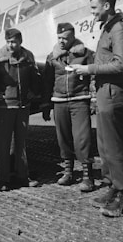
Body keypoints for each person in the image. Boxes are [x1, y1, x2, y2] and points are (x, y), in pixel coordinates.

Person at [72, 0, 123, 217]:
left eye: (94, 8)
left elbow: (121, 64)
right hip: (103, 94)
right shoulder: (108, 29)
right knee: (105, 146)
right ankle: (112, 188)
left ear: (107, 6)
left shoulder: (120, 30)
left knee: (116, 147)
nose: (91, 13)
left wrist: (88, 68)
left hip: (113, 94)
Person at [0, 28, 41, 191]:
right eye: (8, 42)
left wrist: (33, 92)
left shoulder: (28, 57)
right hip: (4, 107)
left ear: (20, 41)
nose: (10, 45)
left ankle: (22, 176)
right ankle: (2, 180)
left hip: (22, 106)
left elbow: (35, 77)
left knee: (21, 144)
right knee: (3, 144)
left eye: (13, 42)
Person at [41, 22, 95, 192]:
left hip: (80, 100)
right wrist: (45, 104)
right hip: (59, 102)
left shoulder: (86, 54)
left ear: (72, 37)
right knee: (63, 138)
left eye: (65, 38)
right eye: (59, 38)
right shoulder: (52, 57)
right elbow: (47, 81)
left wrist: (93, 99)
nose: (61, 41)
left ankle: (88, 176)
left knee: (82, 138)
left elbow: (93, 76)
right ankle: (68, 172)